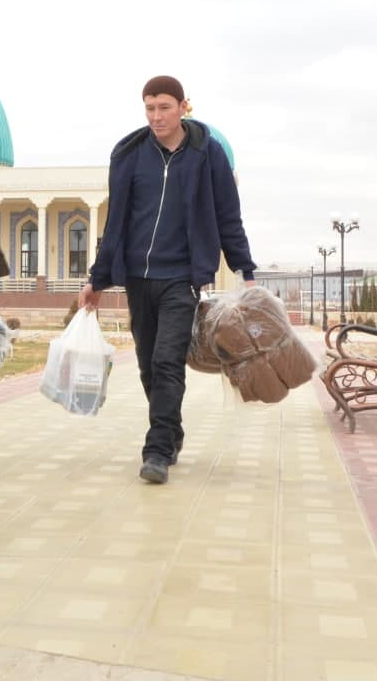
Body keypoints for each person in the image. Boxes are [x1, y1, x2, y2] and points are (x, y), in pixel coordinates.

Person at [78, 75, 256, 485]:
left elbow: (229, 216)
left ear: (182, 107)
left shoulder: (206, 154)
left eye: (164, 108)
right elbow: (116, 221)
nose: (156, 116)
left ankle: (156, 450)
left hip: (181, 278)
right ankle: (171, 429)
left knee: (167, 361)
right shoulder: (130, 154)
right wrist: (98, 279)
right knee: (146, 365)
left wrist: (246, 270)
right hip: (139, 277)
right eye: (149, 108)